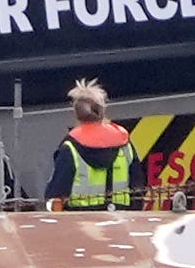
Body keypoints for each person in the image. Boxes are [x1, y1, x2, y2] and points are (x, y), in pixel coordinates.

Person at [45, 78, 143, 211]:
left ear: (76, 114)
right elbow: (138, 187)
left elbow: (55, 197)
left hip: (80, 224)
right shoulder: (124, 143)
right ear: (102, 111)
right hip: (121, 221)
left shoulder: (70, 148)